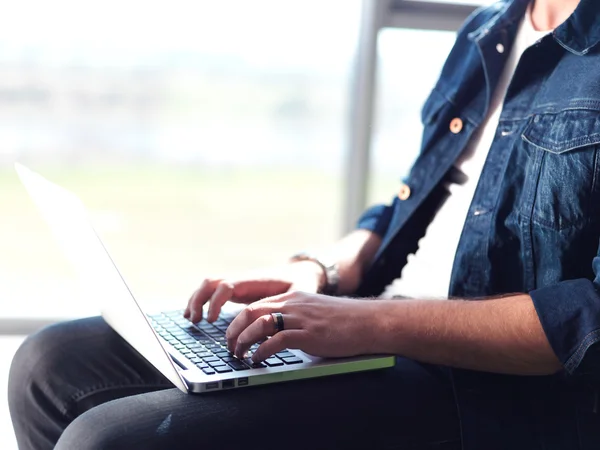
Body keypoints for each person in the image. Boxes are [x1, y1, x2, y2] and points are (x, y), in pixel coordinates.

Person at [9, 0, 600, 448]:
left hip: (489, 388)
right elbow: (415, 203)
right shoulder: (489, 30)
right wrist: (320, 272)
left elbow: (587, 317)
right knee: (49, 364)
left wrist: (370, 323)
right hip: (381, 324)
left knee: (107, 439)